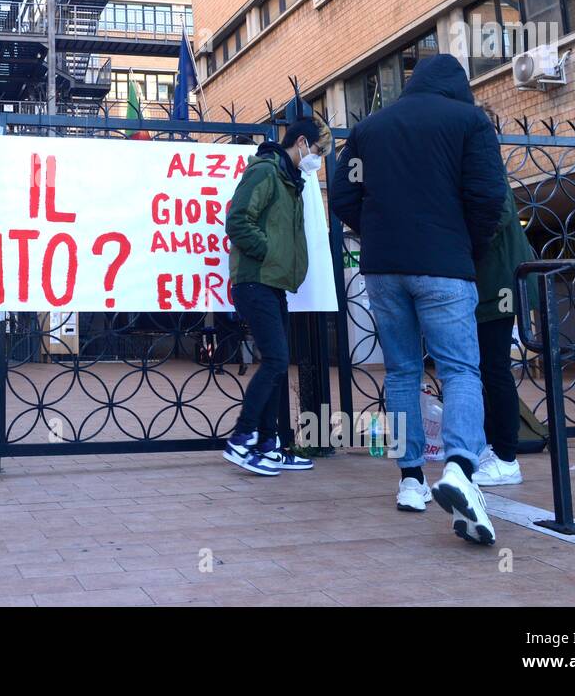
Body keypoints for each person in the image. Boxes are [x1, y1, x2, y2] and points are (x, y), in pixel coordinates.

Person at [328, 53, 506, 544]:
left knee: (403, 370)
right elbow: (489, 196)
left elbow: (343, 196)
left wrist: (379, 233)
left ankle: (410, 481)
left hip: (384, 269)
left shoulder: (370, 128)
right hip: (445, 264)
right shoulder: (470, 121)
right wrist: (465, 243)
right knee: (460, 369)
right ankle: (460, 468)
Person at [223, 117, 331, 476]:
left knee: (277, 360)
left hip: (272, 283)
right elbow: (238, 220)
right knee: (275, 359)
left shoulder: (290, 180)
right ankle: (242, 438)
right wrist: (268, 252)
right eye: (317, 151)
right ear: (302, 142)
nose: (317, 158)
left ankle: (268, 445)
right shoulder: (266, 172)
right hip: (255, 280)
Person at [472, 184, 536, 486]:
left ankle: (506, 457)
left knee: (494, 369)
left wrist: (459, 242)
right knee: (483, 370)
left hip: (498, 286)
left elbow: (497, 216)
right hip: (485, 286)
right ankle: (491, 448)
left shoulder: (486, 167)